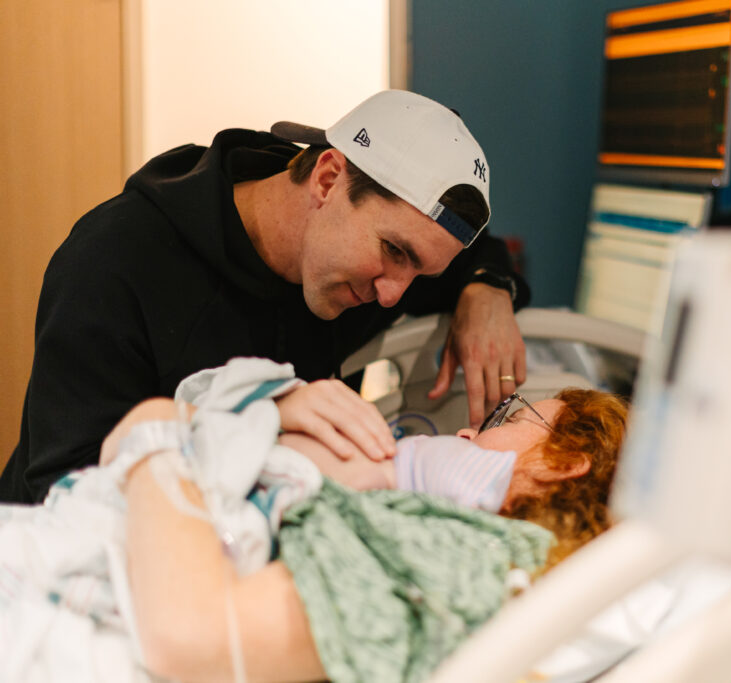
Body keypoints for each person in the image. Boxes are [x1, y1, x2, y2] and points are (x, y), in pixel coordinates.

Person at [2, 89, 530, 504]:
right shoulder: (115, 264)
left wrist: (487, 289)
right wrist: (261, 416)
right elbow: (64, 489)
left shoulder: (362, 265)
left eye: (421, 271)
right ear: (327, 179)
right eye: (393, 251)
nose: (393, 296)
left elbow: (467, 256)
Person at [1, 385, 628, 681]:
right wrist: (264, 417)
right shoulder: (405, 517)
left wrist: (160, 426)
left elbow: (192, 638)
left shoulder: (455, 558)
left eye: (507, 415)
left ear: (565, 460)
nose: (467, 432)